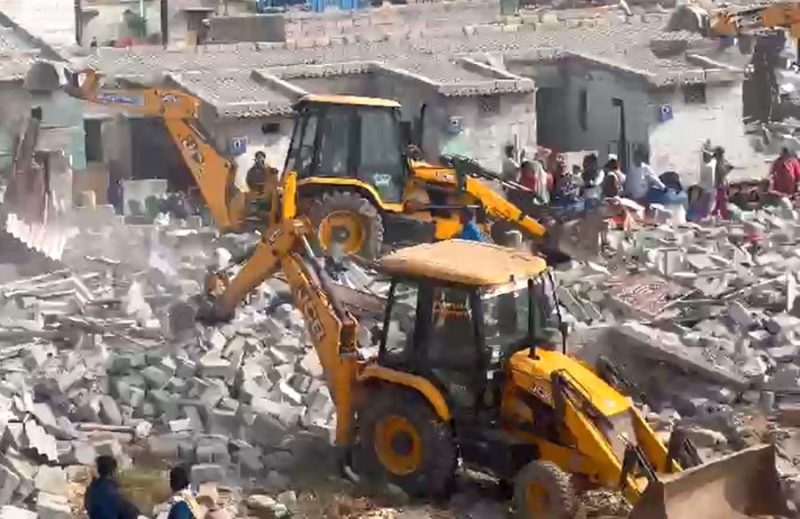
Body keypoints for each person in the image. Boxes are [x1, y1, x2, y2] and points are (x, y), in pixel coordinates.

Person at [712, 146, 733, 219]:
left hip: (721, 185)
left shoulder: (720, 163)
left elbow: (722, 172)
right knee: (718, 202)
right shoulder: (721, 162)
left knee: (721, 203)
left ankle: (725, 218)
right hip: (720, 185)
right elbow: (729, 168)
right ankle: (715, 215)